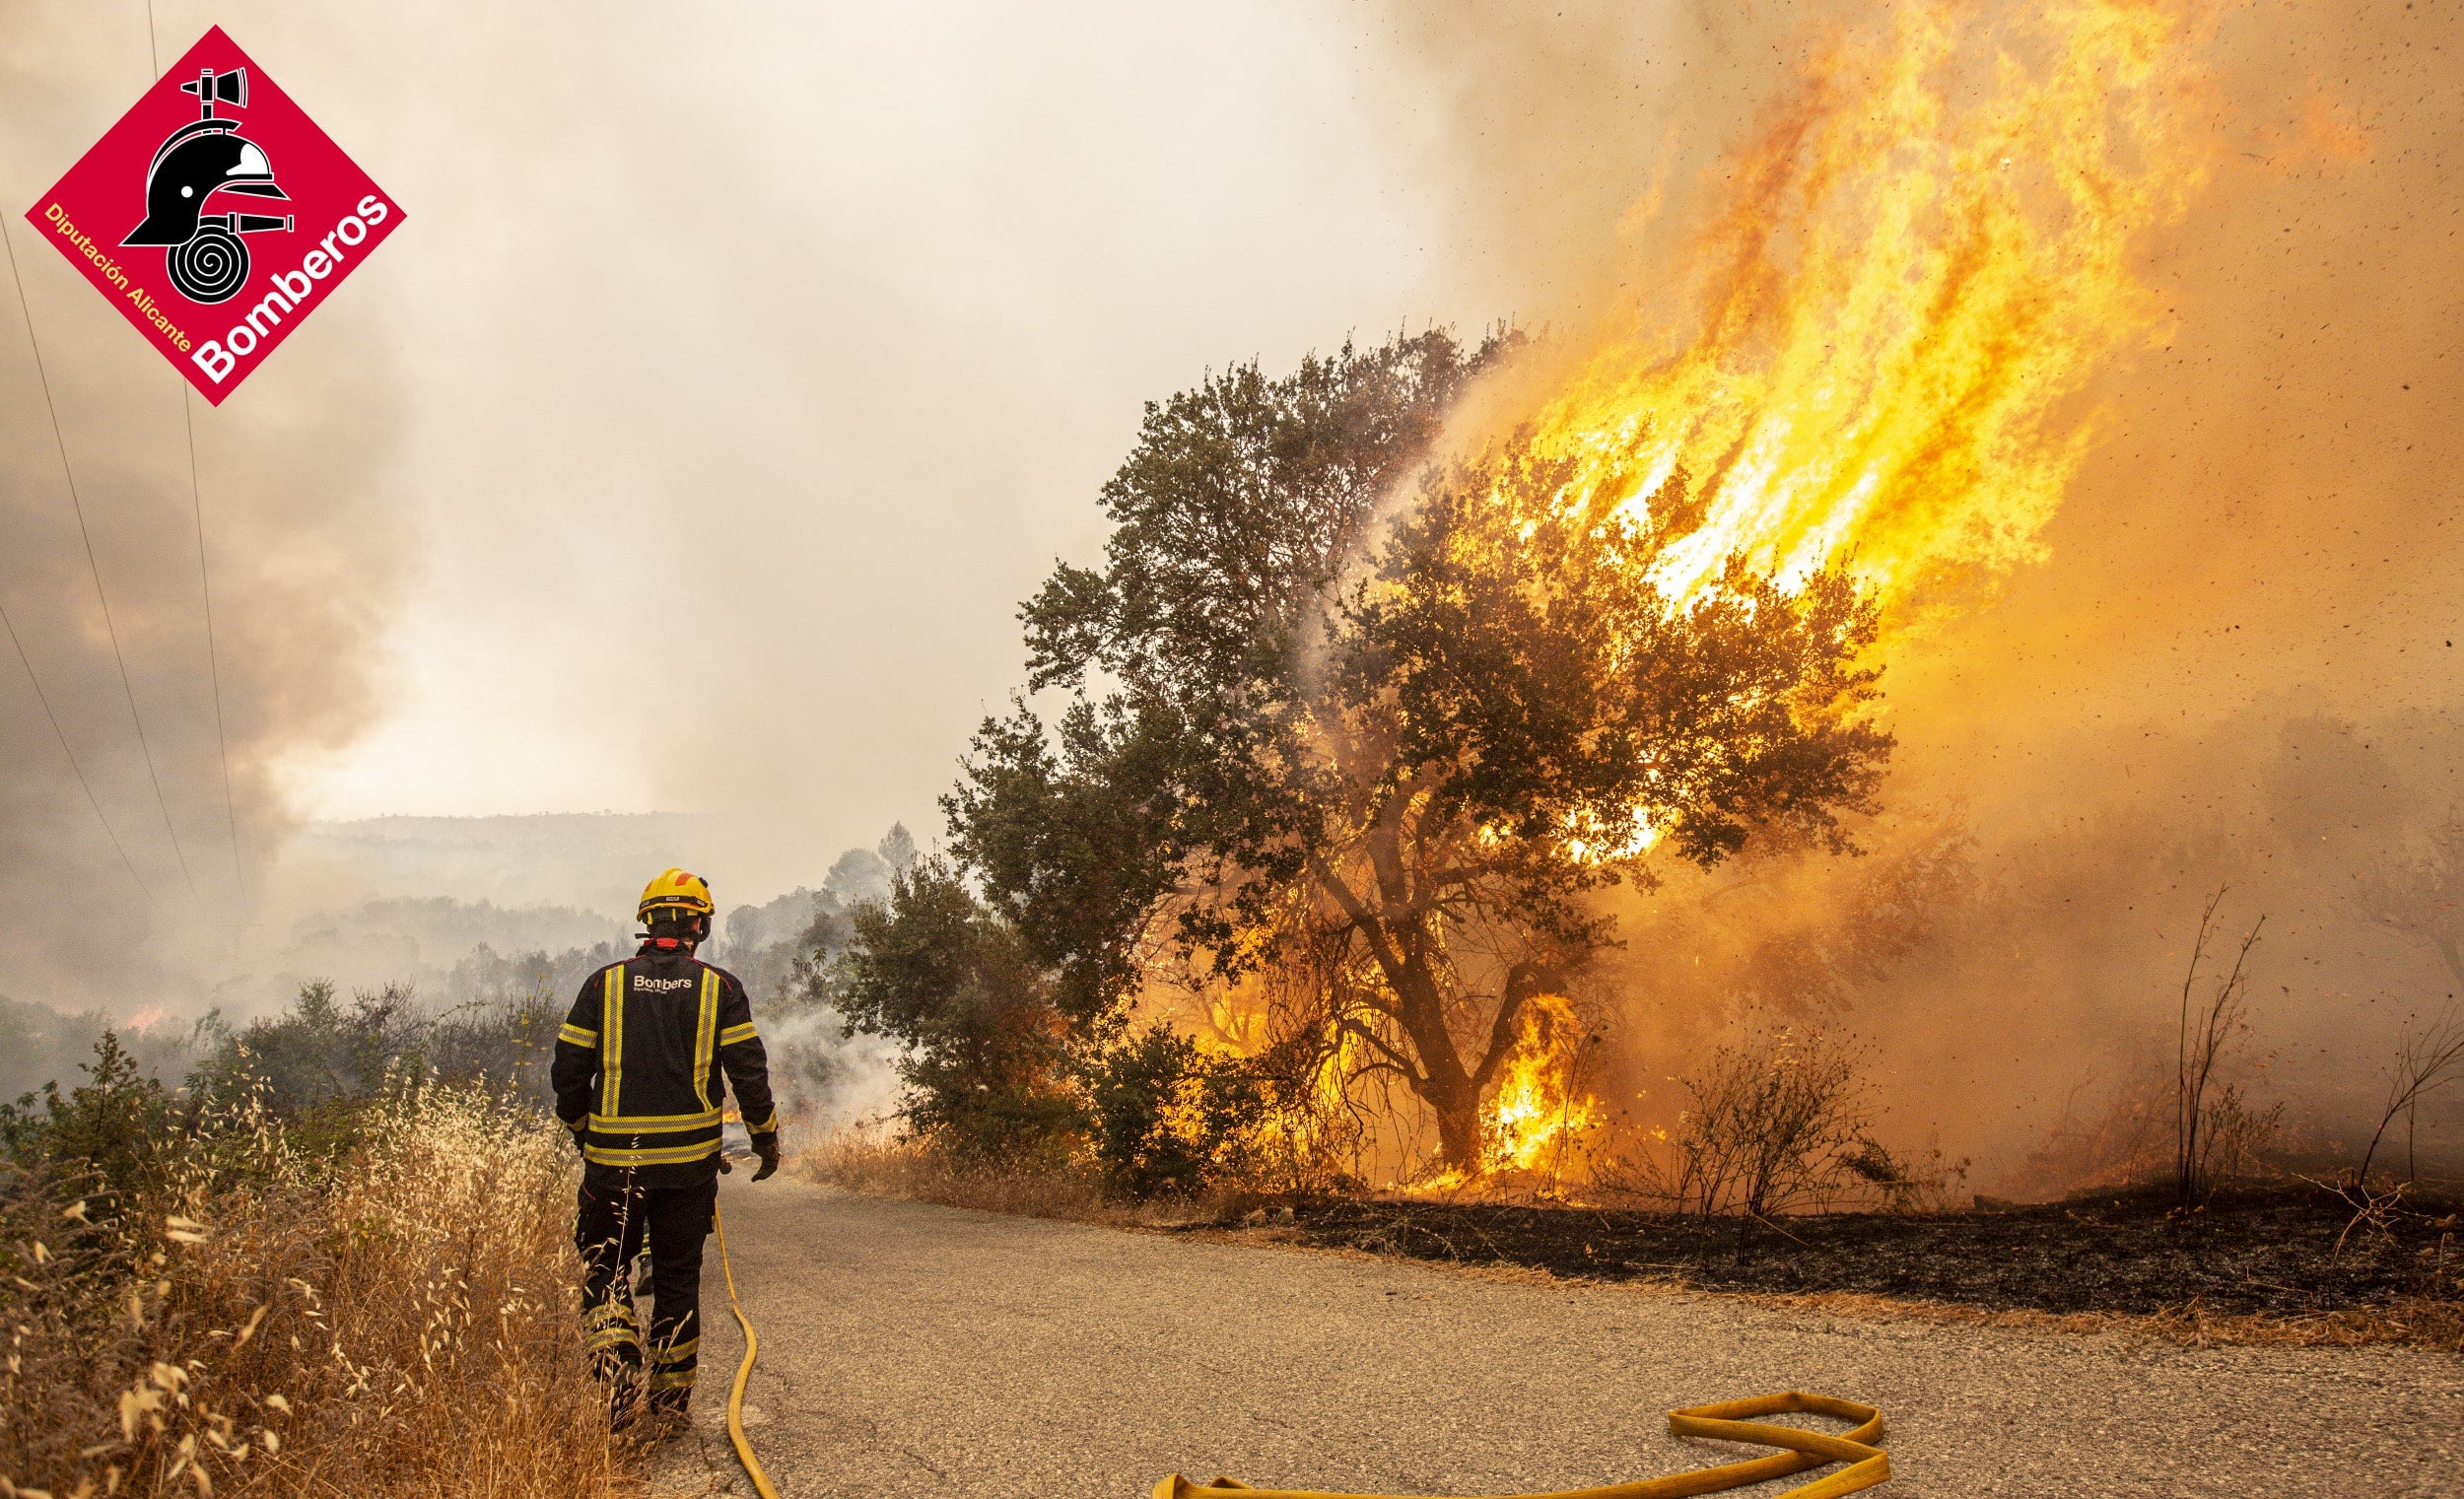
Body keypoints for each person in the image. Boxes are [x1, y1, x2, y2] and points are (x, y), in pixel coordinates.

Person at [551, 867, 782, 1427]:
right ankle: (671, 1400)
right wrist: (765, 1138)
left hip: (612, 1166)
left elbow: (567, 1070)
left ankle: (613, 1366)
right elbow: (749, 1073)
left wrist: (584, 1127)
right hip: (687, 1172)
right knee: (678, 1276)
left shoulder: (601, 984)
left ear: (646, 922)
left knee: (605, 1269)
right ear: (700, 925)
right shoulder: (720, 987)